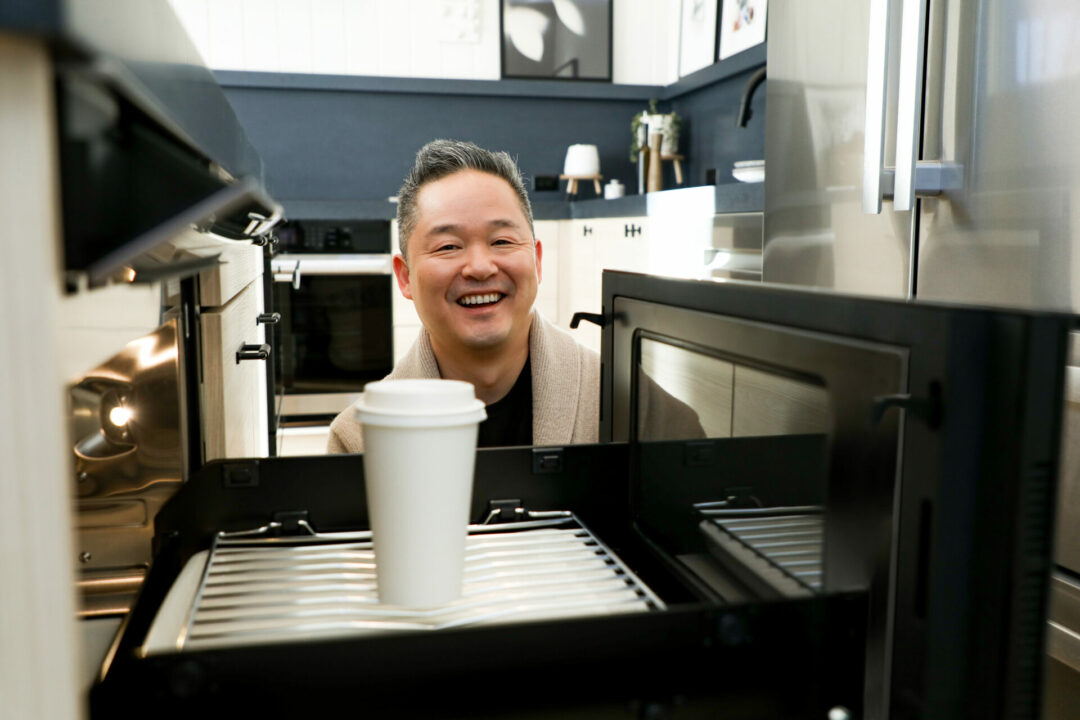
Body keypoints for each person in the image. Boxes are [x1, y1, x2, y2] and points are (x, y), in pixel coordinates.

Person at [327, 139, 599, 453]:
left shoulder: (620, 397)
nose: (480, 268)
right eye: (448, 247)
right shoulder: (359, 439)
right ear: (405, 277)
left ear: (536, 261)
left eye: (501, 241)